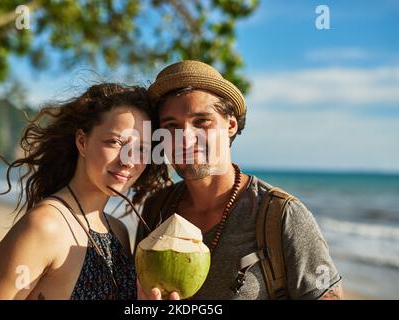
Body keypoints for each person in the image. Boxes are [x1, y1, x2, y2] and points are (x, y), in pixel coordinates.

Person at [135, 60, 343, 300]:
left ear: (230, 124)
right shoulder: (156, 209)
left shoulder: (281, 215)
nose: (185, 138)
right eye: (171, 126)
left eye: (202, 121)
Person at [0, 82, 171, 300]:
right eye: (115, 142)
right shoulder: (46, 226)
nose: (128, 160)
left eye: (141, 149)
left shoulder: (119, 232)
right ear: (82, 142)